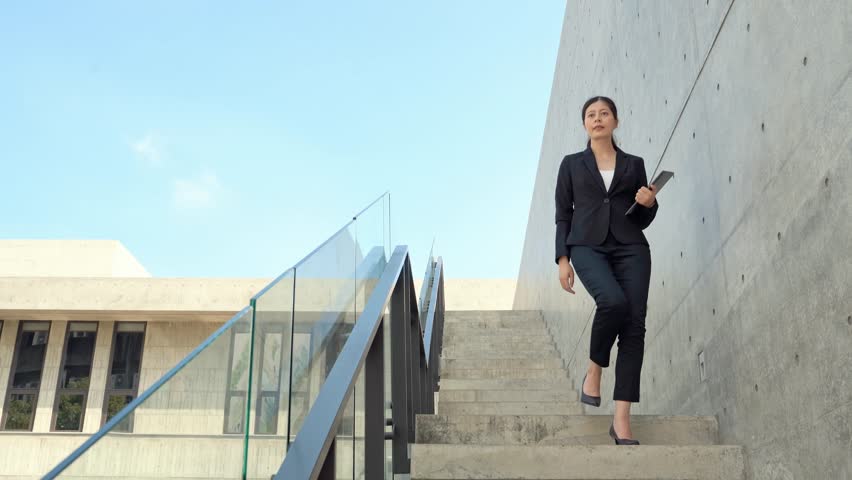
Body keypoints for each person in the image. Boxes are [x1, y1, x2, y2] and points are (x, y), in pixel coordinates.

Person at [554, 96, 659, 445]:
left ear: (615, 121)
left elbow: (640, 218)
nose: (597, 118)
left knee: (634, 327)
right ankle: (594, 369)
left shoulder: (634, 164)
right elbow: (563, 214)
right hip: (586, 246)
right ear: (585, 124)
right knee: (612, 302)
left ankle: (621, 419)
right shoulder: (571, 164)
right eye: (591, 115)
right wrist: (562, 259)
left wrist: (649, 203)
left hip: (631, 247)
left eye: (604, 114)